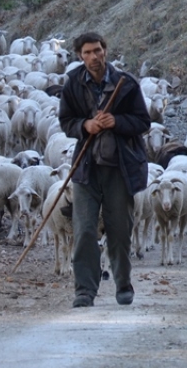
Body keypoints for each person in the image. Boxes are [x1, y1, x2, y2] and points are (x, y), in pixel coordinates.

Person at [58, 32, 150, 307]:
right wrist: (85, 126)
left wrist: (116, 121)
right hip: (86, 167)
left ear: (105, 51)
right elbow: (66, 121)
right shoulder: (73, 83)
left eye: (97, 50)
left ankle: (123, 284)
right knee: (84, 228)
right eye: (87, 52)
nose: (93, 57)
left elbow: (143, 122)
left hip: (118, 167)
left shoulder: (126, 84)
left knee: (119, 228)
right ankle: (84, 290)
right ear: (79, 56)